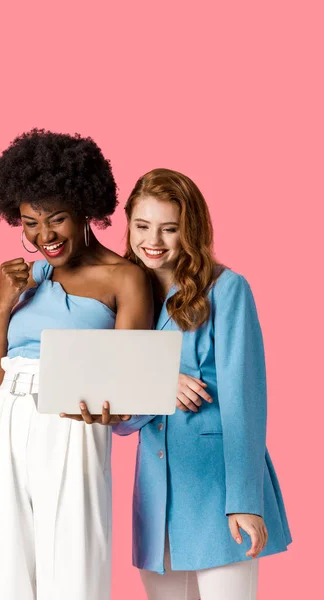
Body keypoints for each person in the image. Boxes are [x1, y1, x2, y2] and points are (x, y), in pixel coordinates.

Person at [0, 129, 153, 600]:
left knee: (73, 557)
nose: (44, 237)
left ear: (86, 210)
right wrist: (3, 303)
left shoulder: (125, 279)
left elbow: (130, 383)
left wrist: (119, 409)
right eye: (29, 224)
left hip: (73, 420)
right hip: (4, 418)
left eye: (57, 220)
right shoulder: (29, 277)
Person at [113, 168, 292, 600]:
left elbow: (245, 402)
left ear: (189, 231)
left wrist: (245, 500)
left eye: (169, 228)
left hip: (216, 489)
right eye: (142, 225)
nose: (153, 239)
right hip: (155, 494)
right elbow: (119, 420)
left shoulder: (227, 290)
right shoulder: (123, 296)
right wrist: (157, 381)